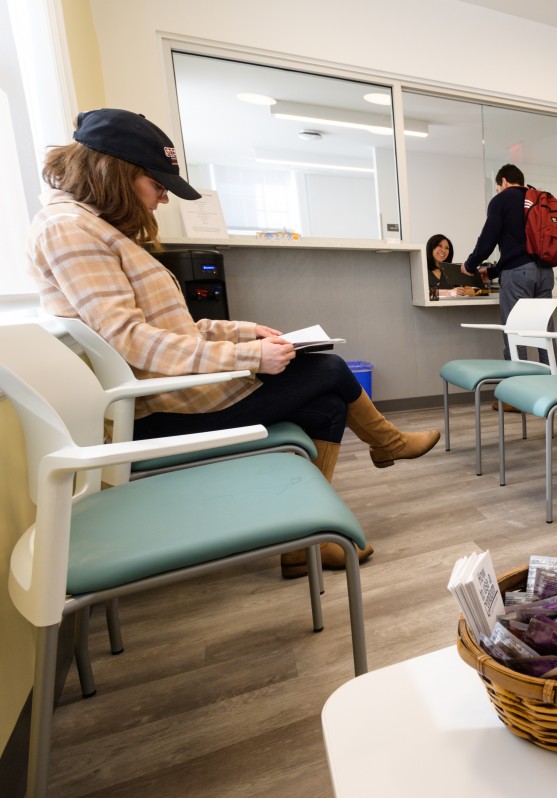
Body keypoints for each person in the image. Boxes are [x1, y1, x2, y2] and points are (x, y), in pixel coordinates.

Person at [27, 108, 440, 578]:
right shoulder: (70, 229)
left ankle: (303, 541)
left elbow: (171, 330)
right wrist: (250, 358)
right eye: (157, 185)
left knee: (326, 403)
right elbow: (131, 341)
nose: (162, 199)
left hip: (171, 394)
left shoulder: (93, 228)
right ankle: (386, 444)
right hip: (154, 414)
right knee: (328, 371)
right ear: (118, 171)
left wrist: (248, 332)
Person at [461, 163, 554, 360]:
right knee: (545, 333)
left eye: (497, 187)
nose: (498, 191)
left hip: (519, 274)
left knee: (515, 332)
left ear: (503, 181)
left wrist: (469, 265)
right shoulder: (537, 198)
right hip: (545, 272)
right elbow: (523, 245)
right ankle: (552, 385)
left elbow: (487, 240)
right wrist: (493, 272)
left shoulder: (501, 200)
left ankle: (519, 386)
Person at [425, 233, 467, 298]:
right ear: (431, 248)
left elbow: (471, 291)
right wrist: (449, 292)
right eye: (440, 246)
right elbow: (423, 293)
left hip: (450, 308)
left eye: (447, 248)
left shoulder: (451, 271)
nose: (443, 250)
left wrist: (460, 291)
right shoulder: (422, 270)